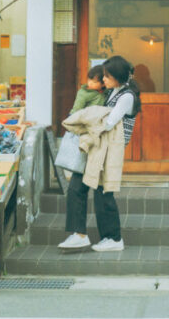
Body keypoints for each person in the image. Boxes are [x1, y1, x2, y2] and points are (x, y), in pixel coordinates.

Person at [58, 55, 141, 252]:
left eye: (106, 76)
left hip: (108, 150)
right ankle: (78, 234)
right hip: (98, 145)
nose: (103, 79)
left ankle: (113, 238)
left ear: (118, 76)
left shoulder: (127, 96)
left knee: (103, 192)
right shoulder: (113, 92)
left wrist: (86, 119)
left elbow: (109, 121)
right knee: (76, 187)